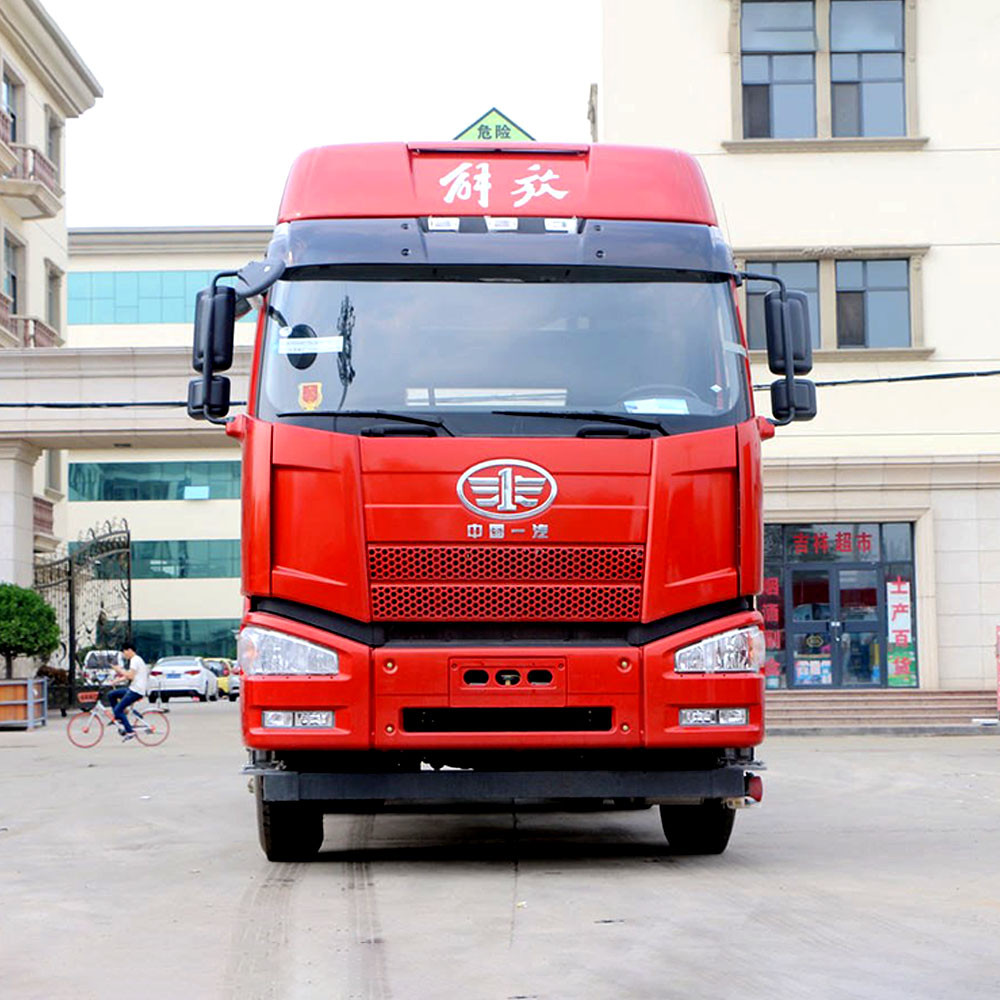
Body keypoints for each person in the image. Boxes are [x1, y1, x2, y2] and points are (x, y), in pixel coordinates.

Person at [106, 643, 150, 741]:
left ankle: (130, 731)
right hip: (133, 689)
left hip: (136, 691)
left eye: (124, 652)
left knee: (117, 710)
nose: (124, 654)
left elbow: (130, 676)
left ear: (129, 650)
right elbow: (131, 675)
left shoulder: (135, 660)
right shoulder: (136, 660)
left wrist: (119, 670)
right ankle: (119, 717)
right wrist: (117, 681)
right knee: (111, 695)